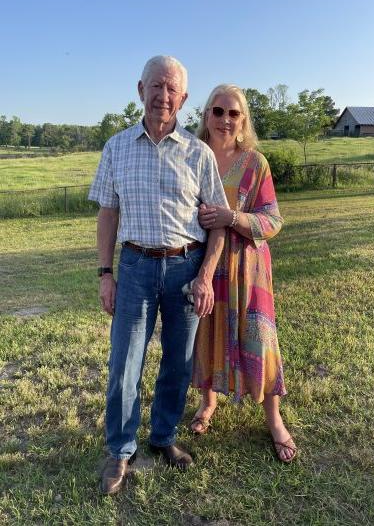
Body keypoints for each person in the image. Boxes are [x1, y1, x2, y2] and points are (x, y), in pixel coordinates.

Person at [88, 56, 228, 495]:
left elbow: (218, 224)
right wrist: (106, 272)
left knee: (178, 363)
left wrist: (204, 276)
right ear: (140, 89)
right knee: (124, 362)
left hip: (186, 268)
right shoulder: (116, 147)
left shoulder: (198, 153)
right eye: (156, 86)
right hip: (135, 267)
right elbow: (108, 213)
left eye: (172, 89)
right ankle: (121, 449)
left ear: (183, 99)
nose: (162, 95)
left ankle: (164, 437)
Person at [190, 84, 297, 463]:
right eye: (218, 111)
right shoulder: (191, 156)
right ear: (206, 116)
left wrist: (231, 217)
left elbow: (273, 220)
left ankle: (274, 418)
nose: (225, 119)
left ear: (243, 120)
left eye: (234, 113)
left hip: (249, 270)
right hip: (203, 265)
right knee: (207, 334)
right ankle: (208, 403)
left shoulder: (255, 163)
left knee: (260, 339)